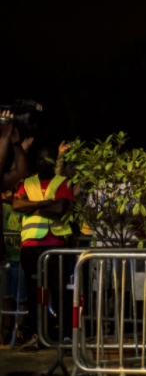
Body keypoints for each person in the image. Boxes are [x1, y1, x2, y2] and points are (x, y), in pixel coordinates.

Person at [12, 147, 74, 348]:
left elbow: (59, 208)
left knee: (60, 292)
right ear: (36, 160)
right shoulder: (26, 183)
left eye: (48, 159)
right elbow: (16, 206)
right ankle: (38, 336)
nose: (43, 162)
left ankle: (64, 336)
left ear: (55, 162)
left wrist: (33, 206)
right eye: (40, 158)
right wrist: (45, 202)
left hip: (56, 246)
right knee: (34, 293)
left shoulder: (62, 182)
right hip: (30, 246)